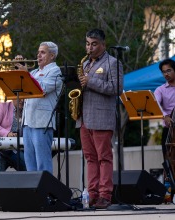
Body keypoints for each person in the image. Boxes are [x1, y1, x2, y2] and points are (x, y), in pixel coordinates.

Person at [76, 28, 124, 209]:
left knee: (104, 157)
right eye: (88, 43)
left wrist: (91, 81)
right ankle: (92, 194)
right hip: (84, 117)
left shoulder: (113, 63)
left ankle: (105, 195)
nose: (90, 47)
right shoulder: (86, 64)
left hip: (102, 116)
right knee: (90, 158)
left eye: (94, 44)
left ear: (103, 45)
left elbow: (116, 88)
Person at [15, 41, 63, 174]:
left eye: (43, 52)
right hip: (27, 122)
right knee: (29, 163)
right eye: (38, 52)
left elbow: (41, 88)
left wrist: (26, 74)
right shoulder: (35, 72)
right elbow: (22, 90)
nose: (38, 55)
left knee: (43, 163)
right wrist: (18, 70)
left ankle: (45, 193)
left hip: (42, 122)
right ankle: (34, 194)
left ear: (52, 56)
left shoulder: (55, 71)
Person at [0, 99, 26, 175]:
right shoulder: (3, 106)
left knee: (27, 163)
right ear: (13, 96)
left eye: (24, 98)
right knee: (1, 160)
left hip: (14, 149)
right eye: (20, 97)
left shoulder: (26, 111)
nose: (22, 100)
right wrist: (7, 133)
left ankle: (25, 185)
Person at [154, 58, 175, 160]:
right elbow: (155, 104)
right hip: (169, 130)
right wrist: (165, 115)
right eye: (163, 72)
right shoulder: (160, 90)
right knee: (168, 159)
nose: (166, 74)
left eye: (169, 71)